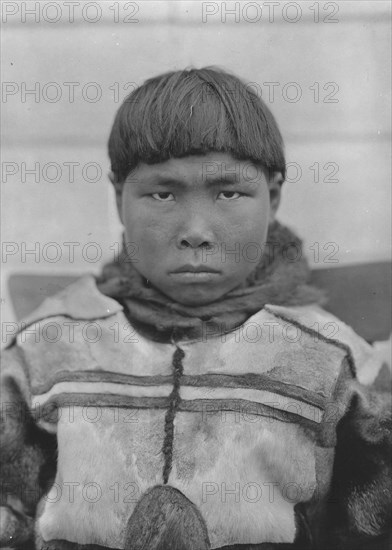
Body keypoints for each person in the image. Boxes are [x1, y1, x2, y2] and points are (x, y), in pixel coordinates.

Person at [1, 68, 391, 550]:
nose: (196, 230)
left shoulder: (331, 359)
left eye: (229, 193)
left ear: (272, 197)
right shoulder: (47, 349)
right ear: (118, 196)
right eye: (162, 194)